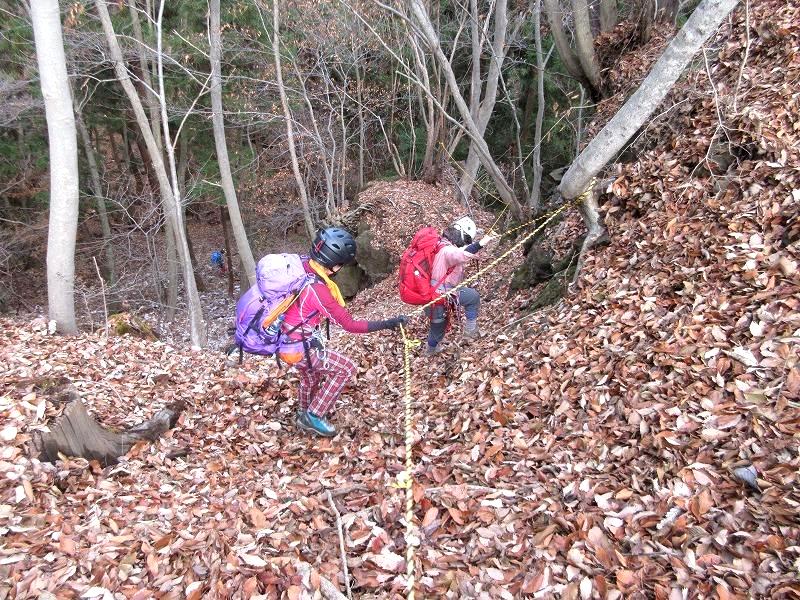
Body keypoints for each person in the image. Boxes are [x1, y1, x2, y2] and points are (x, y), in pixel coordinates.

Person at [281, 227, 407, 437]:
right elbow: (349, 325)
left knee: (310, 378)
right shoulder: (318, 290)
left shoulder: (302, 266)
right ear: (335, 264)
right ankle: (313, 416)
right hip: (299, 347)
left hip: (285, 343)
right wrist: (388, 323)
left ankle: (303, 413)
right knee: (346, 368)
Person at [425, 216, 496, 356]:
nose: (466, 242)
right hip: (440, 295)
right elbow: (460, 254)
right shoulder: (447, 251)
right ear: (462, 234)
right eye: (467, 239)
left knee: (471, 298)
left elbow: (460, 251)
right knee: (439, 326)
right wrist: (481, 243)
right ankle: (431, 350)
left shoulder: (440, 244)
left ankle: (433, 349)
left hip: (436, 292)